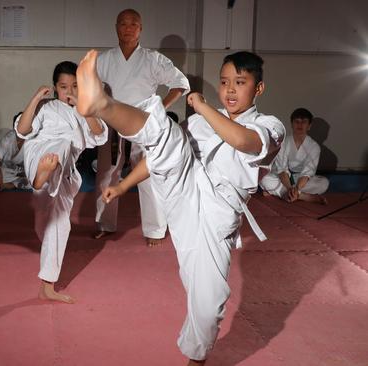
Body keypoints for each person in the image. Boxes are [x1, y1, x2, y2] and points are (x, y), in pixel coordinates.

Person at [75, 50, 285, 365]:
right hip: (185, 188)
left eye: (239, 83)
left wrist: (200, 105)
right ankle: (102, 104)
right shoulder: (200, 123)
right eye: (224, 81)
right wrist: (122, 185)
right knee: (166, 136)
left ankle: (195, 361)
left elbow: (242, 142)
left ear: (259, 88)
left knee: (208, 301)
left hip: (218, 212)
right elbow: (161, 156)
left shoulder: (270, 125)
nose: (229, 89)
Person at [93, 8, 190, 246]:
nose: (128, 28)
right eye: (123, 23)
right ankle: (105, 224)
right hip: (112, 122)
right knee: (107, 173)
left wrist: (159, 109)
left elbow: (180, 84)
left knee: (148, 175)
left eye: (133, 24)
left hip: (144, 123)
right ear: (116, 27)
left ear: (140, 29)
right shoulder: (103, 60)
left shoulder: (153, 59)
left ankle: (155, 230)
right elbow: (91, 90)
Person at [15, 61, 107, 304]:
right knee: (59, 146)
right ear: (56, 88)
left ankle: (47, 286)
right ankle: (40, 178)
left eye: (75, 86)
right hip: (40, 153)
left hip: (64, 173)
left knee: (59, 226)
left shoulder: (85, 111)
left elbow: (99, 135)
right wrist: (35, 99)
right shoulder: (48, 108)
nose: (69, 91)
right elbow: (23, 131)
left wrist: (83, 108)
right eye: (64, 86)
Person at [260, 108, 328, 204]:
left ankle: (284, 193)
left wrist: (296, 188)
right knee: (264, 178)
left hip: (300, 180)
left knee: (324, 183)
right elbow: (282, 170)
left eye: (304, 122)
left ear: (309, 126)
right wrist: (289, 188)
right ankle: (302, 196)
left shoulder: (314, 147)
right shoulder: (283, 143)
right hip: (282, 178)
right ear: (292, 124)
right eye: (297, 122)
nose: (300, 125)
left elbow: (307, 173)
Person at [0, 115, 30, 190]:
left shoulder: (31, 140)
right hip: (7, 170)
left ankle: (9, 184)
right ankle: (11, 183)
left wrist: (27, 173)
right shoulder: (9, 138)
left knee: (39, 181)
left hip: (23, 171)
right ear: (14, 127)